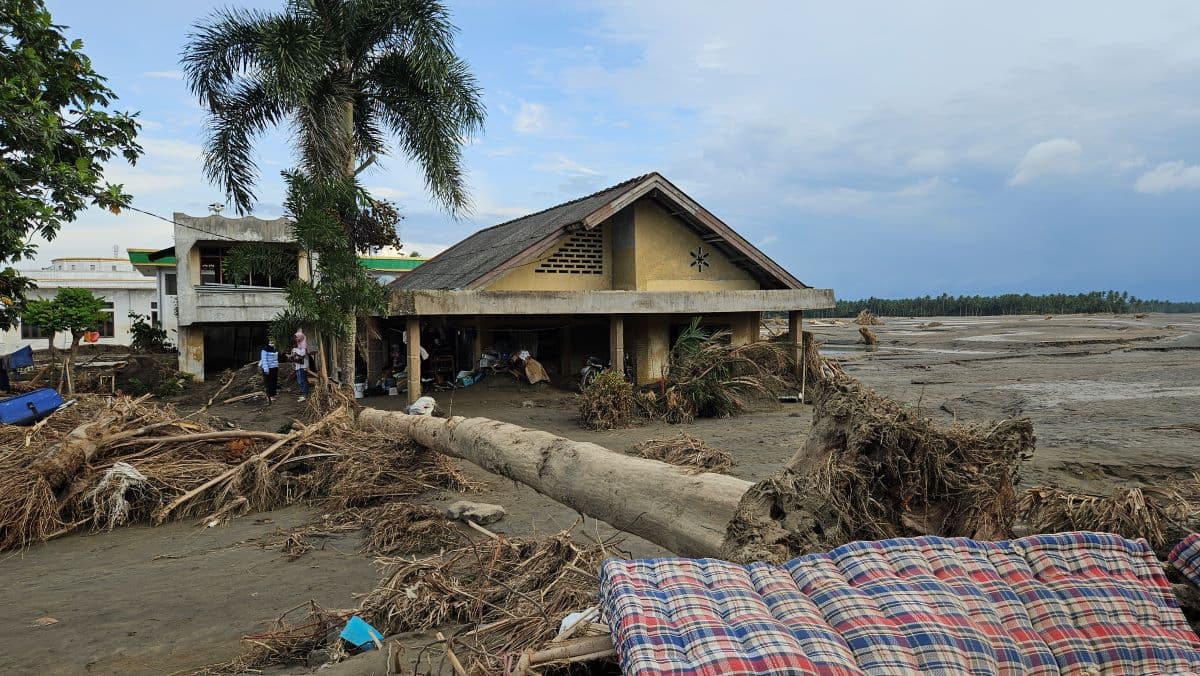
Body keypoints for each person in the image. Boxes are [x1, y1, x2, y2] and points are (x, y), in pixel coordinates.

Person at [290, 334, 310, 402]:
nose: (296, 339)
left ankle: (304, 394)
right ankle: (303, 393)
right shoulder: (298, 345)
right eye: (295, 338)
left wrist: (295, 350)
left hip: (303, 366)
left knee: (302, 380)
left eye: (297, 337)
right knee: (299, 380)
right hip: (298, 365)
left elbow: (302, 354)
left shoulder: (303, 345)